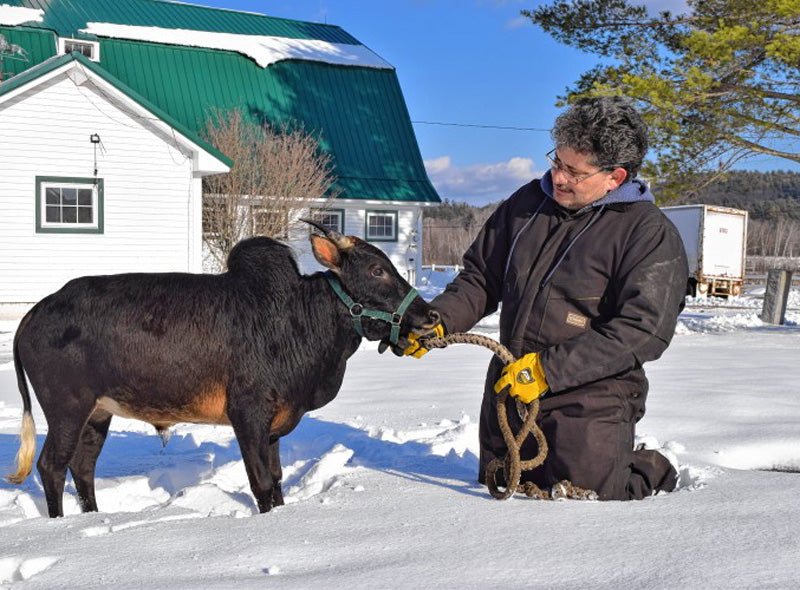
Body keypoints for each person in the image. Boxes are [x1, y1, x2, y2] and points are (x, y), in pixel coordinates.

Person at [402, 97, 688, 500]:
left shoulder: (647, 234)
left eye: (574, 171)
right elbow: (482, 277)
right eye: (557, 161)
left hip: (591, 399)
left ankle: (648, 468)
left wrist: (548, 371)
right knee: (506, 492)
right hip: (510, 388)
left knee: (591, 502)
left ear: (615, 176)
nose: (558, 177)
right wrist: (440, 319)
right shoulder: (526, 205)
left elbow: (643, 330)